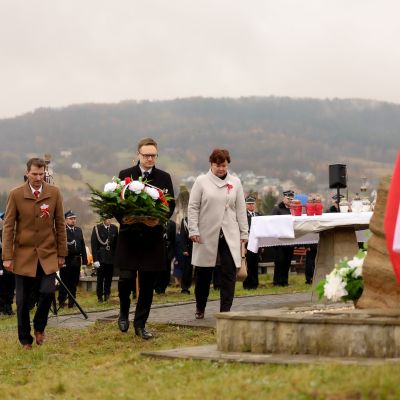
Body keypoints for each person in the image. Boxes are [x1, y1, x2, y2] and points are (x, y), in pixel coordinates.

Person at [1, 157, 67, 349]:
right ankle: (25, 339)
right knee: (22, 301)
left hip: (48, 253)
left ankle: (39, 326)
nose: (38, 178)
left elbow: (60, 224)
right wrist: (7, 256)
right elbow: (8, 227)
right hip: (23, 255)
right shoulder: (16, 194)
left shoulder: (54, 193)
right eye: (34, 174)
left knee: (47, 292)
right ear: (27, 173)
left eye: (41, 174)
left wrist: (62, 253)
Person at [114, 137, 175, 340]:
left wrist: (158, 220)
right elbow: (116, 203)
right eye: (146, 155)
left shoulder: (164, 177)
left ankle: (140, 324)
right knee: (126, 278)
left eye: (153, 155)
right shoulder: (126, 175)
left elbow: (170, 205)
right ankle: (123, 312)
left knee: (148, 284)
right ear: (138, 155)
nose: (150, 159)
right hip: (129, 236)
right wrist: (124, 219)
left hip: (152, 238)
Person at [188, 148, 248, 319]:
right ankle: (200, 307)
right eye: (217, 165)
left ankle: (225, 311)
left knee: (229, 271)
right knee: (204, 273)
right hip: (206, 232)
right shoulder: (201, 181)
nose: (221, 169)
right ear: (211, 164)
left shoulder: (235, 182)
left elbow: (241, 209)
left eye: (224, 165)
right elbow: (193, 207)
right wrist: (193, 229)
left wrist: (244, 233)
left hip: (229, 233)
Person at [58, 210, 88, 308]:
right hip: (66, 259)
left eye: (74, 218)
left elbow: (82, 245)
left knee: (74, 282)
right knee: (65, 281)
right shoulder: (62, 230)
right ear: (66, 220)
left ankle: (72, 301)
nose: (73, 220)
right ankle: (62, 301)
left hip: (76, 260)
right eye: (71, 219)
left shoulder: (78, 230)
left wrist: (85, 260)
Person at [91, 217, 119, 302]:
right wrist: (95, 259)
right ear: (103, 219)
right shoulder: (97, 228)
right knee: (100, 278)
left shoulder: (114, 228)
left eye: (110, 219)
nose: (109, 220)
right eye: (107, 219)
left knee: (109, 278)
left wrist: (116, 258)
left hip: (111, 257)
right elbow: (94, 245)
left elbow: (116, 245)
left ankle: (107, 294)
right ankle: (99, 296)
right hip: (101, 257)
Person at [271, 190, 295, 286]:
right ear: (283, 198)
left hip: (290, 240)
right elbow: (273, 223)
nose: (290, 200)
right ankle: (277, 281)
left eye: (291, 199)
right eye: (288, 198)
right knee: (279, 262)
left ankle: (285, 281)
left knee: (287, 261)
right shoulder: (277, 209)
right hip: (279, 241)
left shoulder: (293, 209)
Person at [242, 195, 261, 290]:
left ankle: (255, 284)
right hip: (247, 244)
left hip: (257, 244)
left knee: (255, 264)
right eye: (249, 204)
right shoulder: (243, 216)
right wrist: (243, 246)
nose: (251, 205)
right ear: (246, 205)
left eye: (252, 204)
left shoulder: (259, 215)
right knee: (248, 265)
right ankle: (247, 285)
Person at [154, 219, 177, 294]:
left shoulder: (172, 224)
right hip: (158, 250)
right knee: (159, 270)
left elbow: (173, 239)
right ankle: (158, 288)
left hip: (168, 251)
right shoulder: (156, 222)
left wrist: (173, 252)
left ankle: (164, 287)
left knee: (167, 270)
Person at [0, 212, 16, 316]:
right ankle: (2, 308)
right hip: (2, 266)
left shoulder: (15, 233)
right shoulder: (0, 233)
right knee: (2, 288)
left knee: (11, 287)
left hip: (13, 266)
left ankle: (8, 307)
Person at [179, 216, 193, 294]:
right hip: (189, 247)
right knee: (187, 269)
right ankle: (185, 288)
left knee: (200, 269)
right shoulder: (185, 220)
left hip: (200, 246)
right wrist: (184, 249)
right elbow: (182, 235)